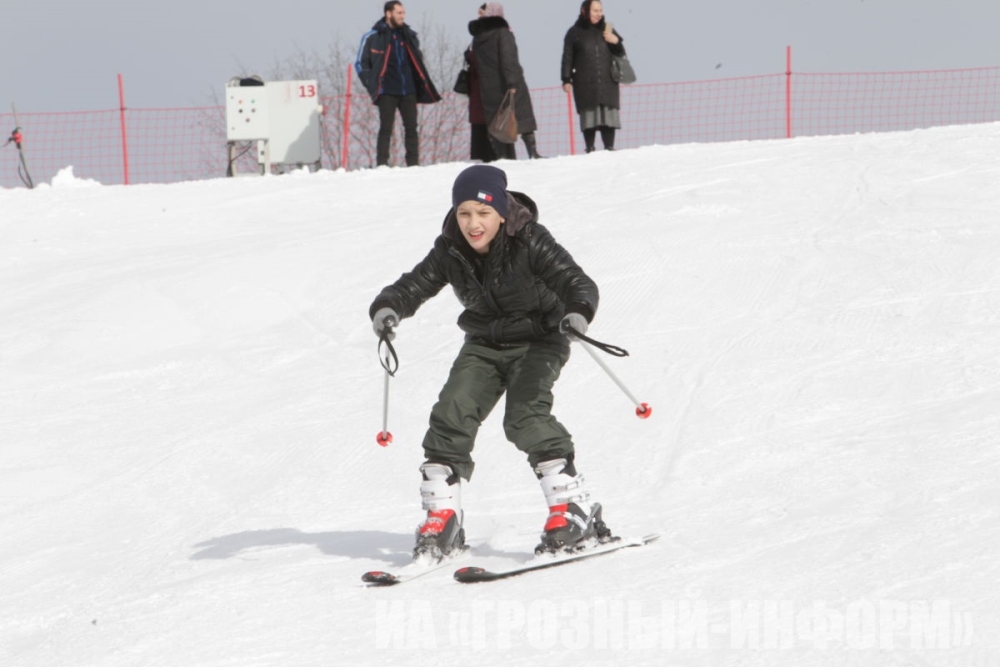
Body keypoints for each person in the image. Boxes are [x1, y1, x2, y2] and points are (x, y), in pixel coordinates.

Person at [369, 164, 612, 560]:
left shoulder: (530, 238)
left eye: (483, 212)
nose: (473, 223)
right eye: (464, 213)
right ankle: (442, 517)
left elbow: (576, 281)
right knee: (451, 413)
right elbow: (415, 284)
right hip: (485, 344)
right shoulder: (450, 248)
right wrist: (388, 306)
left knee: (525, 416)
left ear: (501, 213)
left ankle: (573, 508)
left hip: (539, 339)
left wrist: (578, 311)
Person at [355, 1, 441, 167]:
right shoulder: (372, 36)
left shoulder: (410, 35)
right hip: (386, 90)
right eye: (399, 13)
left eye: (403, 13)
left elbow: (418, 59)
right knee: (386, 128)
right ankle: (382, 164)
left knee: (411, 128)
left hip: (408, 89)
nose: (403, 16)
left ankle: (413, 164)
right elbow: (360, 63)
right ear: (389, 14)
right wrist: (370, 83)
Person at [467, 2, 542, 160]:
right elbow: (509, 59)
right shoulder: (503, 33)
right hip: (508, 84)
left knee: (496, 123)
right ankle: (533, 153)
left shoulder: (477, 38)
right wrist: (512, 82)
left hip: (488, 88)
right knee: (523, 117)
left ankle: (501, 157)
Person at [560, 0, 626, 153]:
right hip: (584, 81)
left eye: (600, 10)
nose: (599, 14)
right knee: (589, 113)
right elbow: (567, 58)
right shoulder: (574, 32)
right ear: (585, 11)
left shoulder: (608, 29)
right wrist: (566, 79)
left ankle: (609, 147)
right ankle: (590, 147)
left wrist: (616, 41)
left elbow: (620, 53)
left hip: (608, 80)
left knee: (608, 112)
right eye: (595, 10)